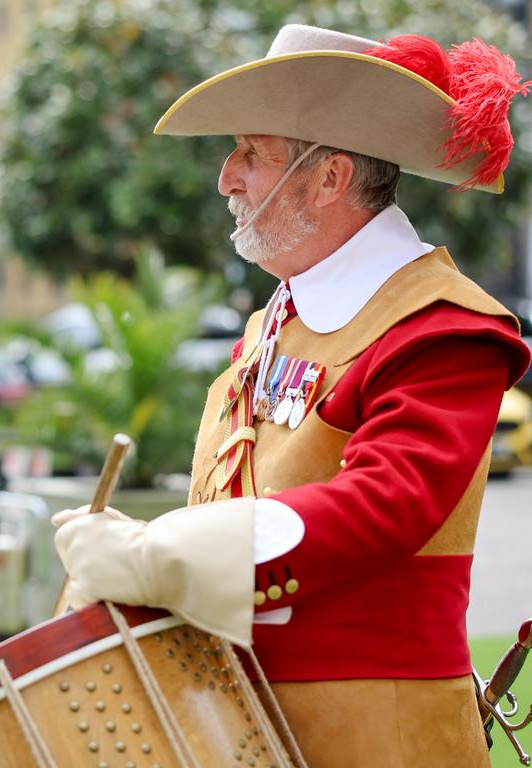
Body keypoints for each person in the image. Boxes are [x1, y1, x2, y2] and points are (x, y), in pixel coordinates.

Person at [53, 24, 532, 767]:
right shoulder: (276, 318)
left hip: (378, 740)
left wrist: (163, 554)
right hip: (237, 729)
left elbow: (386, 505)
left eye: (251, 151)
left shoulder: (445, 328)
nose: (226, 176)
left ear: (330, 177)